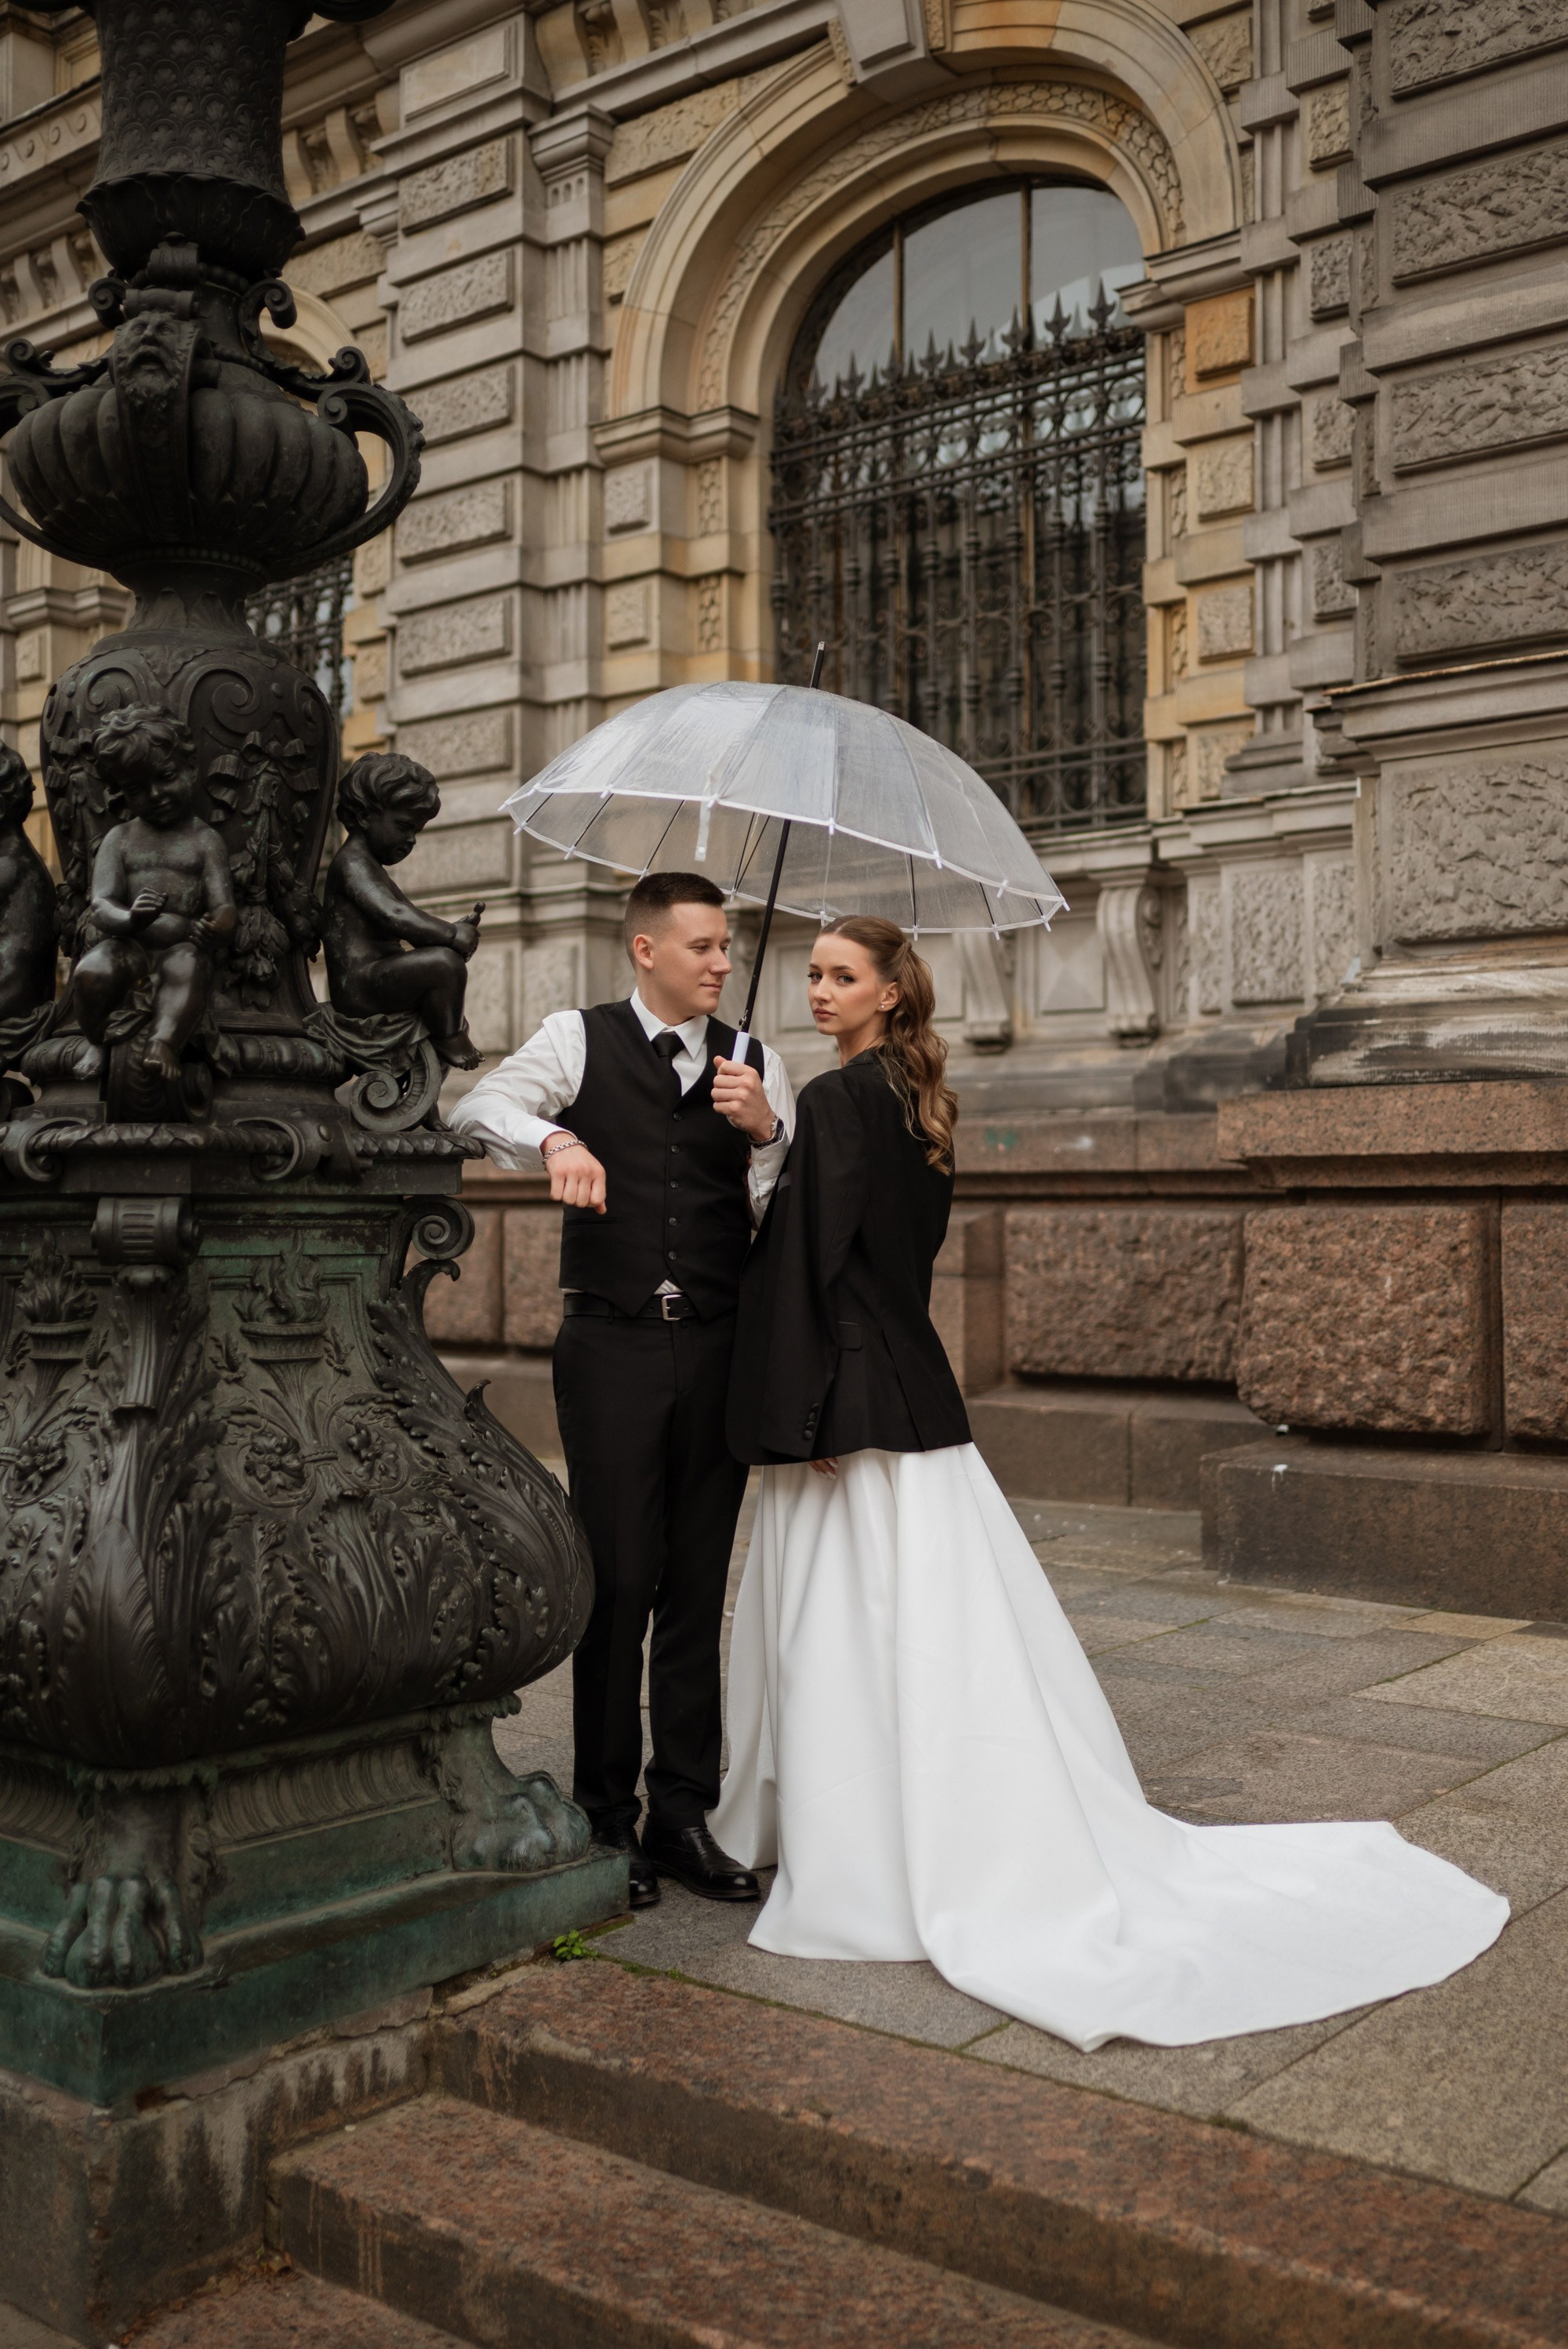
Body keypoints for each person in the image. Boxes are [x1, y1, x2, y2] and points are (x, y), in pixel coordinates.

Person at [713, 915, 1508, 2051]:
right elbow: (887, 1250)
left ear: (893, 995)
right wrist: (778, 1147)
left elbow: (809, 1259)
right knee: (924, 1626)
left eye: (843, 976)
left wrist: (788, 1397)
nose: (820, 990)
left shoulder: (840, 1101)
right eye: (814, 974)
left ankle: (866, 1848)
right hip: (907, 1388)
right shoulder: (916, 1098)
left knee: (847, 1627)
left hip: (846, 1401)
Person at [449, 872, 795, 1910]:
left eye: (728, 947)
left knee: (694, 1588)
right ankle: (604, 1816)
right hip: (610, 1349)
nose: (721, 961)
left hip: (719, 1348)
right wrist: (553, 1138)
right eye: (702, 946)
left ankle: (682, 1812)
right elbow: (476, 1107)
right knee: (616, 1579)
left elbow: (781, 1219)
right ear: (646, 951)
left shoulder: (755, 1063)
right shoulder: (577, 1037)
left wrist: (768, 1132)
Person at [74, 708, 237, 1083]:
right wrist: (130, 919)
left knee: (188, 967)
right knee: (92, 972)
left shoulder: (204, 841)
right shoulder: (120, 839)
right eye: (136, 789)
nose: (155, 795)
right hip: (128, 947)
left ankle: (162, 1042)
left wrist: (219, 926)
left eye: (165, 777)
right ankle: (96, 1039)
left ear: (190, 768)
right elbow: (100, 904)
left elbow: (223, 905)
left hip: (180, 947)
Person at [322, 753, 483, 1069]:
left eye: (417, 831)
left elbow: (407, 920)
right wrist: (450, 936)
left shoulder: (371, 867)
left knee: (441, 960)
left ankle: (428, 1083)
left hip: (379, 977)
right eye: (403, 826)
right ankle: (449, 1038)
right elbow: (394, 915)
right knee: (443, 965)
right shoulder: (351, 863)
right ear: (365, 816)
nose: (410, 840)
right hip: (360, 987)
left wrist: (450, 932)